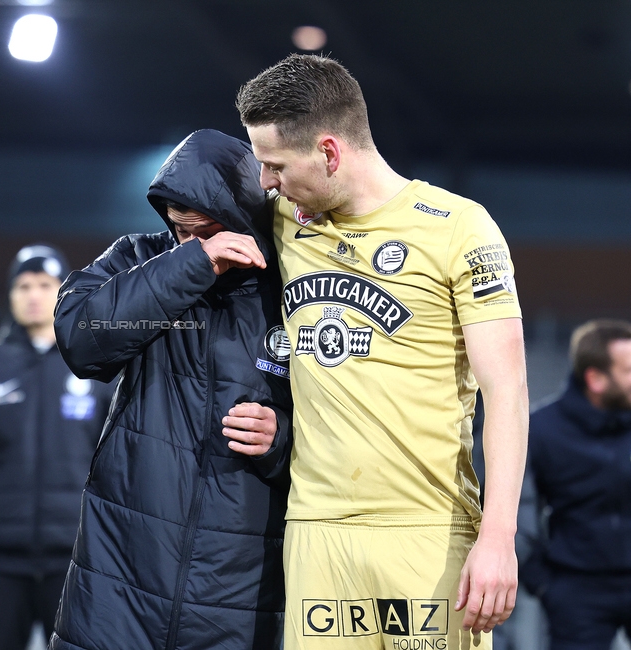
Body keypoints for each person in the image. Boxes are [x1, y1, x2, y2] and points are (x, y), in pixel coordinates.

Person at [237, 54, 529, 649]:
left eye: (275, 166)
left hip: (428, 532)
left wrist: (498, 534)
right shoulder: (285, 219)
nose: (265, 182)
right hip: (317, 531)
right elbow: (185, 199)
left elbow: (508, 389)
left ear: (329, 152)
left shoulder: (460, 228)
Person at [49, 128, 293, 650]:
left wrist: (281, 439)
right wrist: (193, 263)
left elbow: (347, 429)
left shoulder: (291, 291)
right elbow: (81, 340)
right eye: (179, 229)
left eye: (203, 231)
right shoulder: (138, 258)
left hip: (238, 590)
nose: (188, 239)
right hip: (121, 576)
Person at [0, 244, 113, 650]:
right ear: (11, 294)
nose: (34, 294)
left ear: (63, 292)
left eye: (45, 284)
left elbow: (115, 469)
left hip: (75, 560)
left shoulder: (96, 367)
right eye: (23, 285)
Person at [521, 319, 631, 649]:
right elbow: (516, 510)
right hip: (576, 591)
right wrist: (544, 586)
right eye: (628, 371)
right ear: (595, 379)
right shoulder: (540, 430)